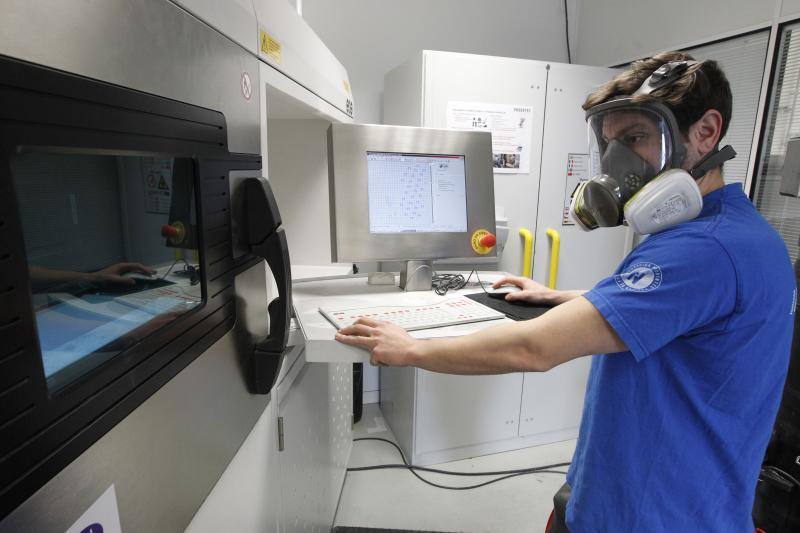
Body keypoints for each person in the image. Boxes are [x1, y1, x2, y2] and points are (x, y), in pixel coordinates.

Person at [335, 51, 796, 532]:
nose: (618, 162)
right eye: (611, 143)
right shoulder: (744, 236)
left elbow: (535, 348)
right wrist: (563, 296)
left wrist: (412, 348)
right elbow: (682, 317)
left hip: (649, 513)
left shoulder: (701, 250)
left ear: (705, 131)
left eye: (636, 137)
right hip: (697, 503)